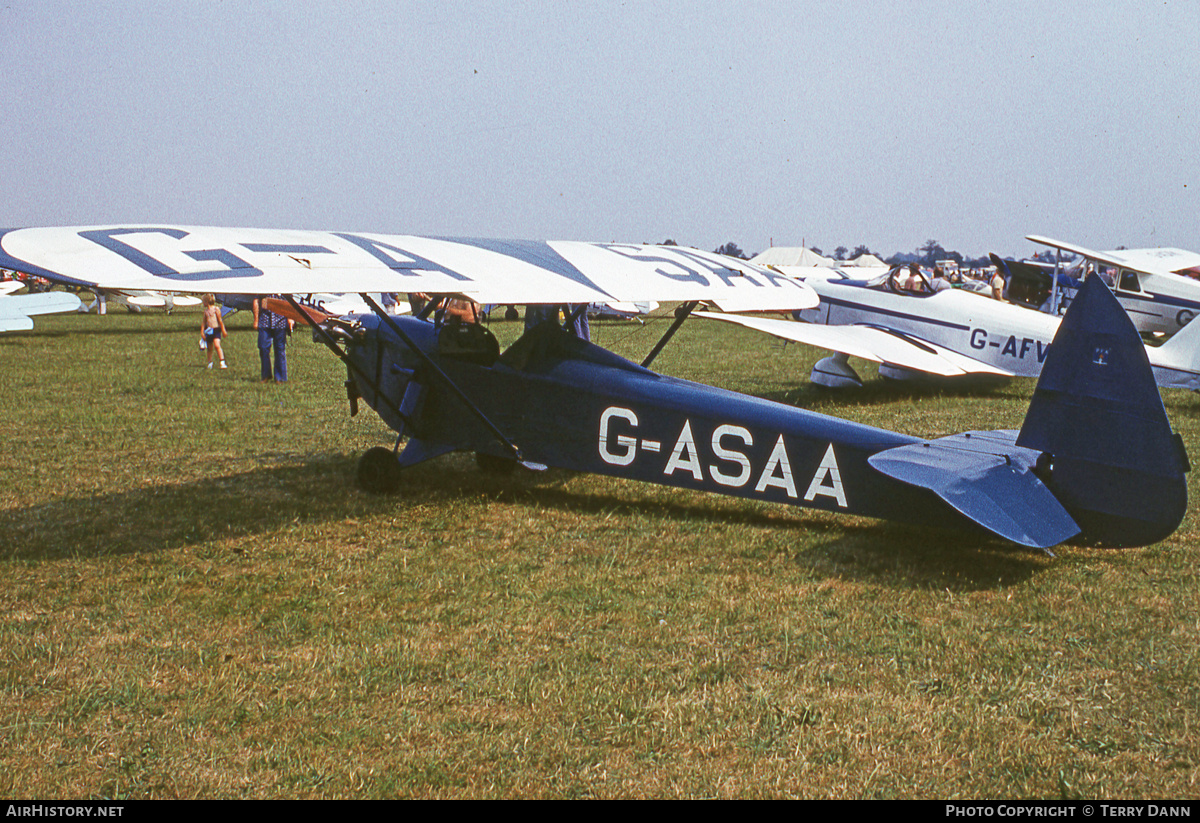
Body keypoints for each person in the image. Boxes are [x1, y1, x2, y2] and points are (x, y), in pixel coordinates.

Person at [253, 295, 293, 383]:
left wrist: (290, 318)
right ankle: (266, 375)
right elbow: (256, 301)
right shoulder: (263, 285)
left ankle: (280, 377)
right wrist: (256, 319)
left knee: (280, 349)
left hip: (280, 321)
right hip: (264, 320)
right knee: (263, 347)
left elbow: (290, 302)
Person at [200, 294, 229, 370]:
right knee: (209, 348)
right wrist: (202, 331)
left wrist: (223, 330)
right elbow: (204, 322)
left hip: (216, 330)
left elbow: (220, 320)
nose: (203, 303)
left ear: (207, 302)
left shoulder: (216, 309)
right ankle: (210, 362)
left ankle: (222, 362)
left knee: (217, 345)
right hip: (209, 330)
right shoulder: (206, 312)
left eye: (204, 302)